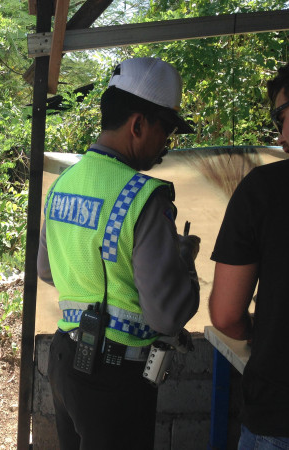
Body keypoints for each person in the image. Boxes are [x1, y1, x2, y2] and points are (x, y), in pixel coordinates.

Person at [37, 57, 201, 449]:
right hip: (112, 379)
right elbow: (167, 314)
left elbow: (47, 269)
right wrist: (183, 264)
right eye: (166, 130)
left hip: (63, 363)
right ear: (139, 124)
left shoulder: (64, 182)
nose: (166, 144)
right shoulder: (144, 196)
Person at [209, 48, 289, 449]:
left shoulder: (265, 189)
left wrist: (260, 335)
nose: (280, 135)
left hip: (287, 419)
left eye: (281, 117)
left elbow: (225, 314)